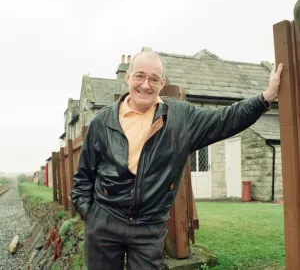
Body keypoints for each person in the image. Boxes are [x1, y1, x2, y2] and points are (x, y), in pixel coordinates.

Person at [71, 51, 283, 270]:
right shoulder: (102, 121)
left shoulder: (181, 118)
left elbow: (226, 118)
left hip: (148, 227)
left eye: (154, 79)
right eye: (139, 76)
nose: (145, 85)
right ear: (128, 77)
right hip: (105, 221)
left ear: (162, 83)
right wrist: (90, 214)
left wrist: (265, 98)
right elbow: (83, 176)